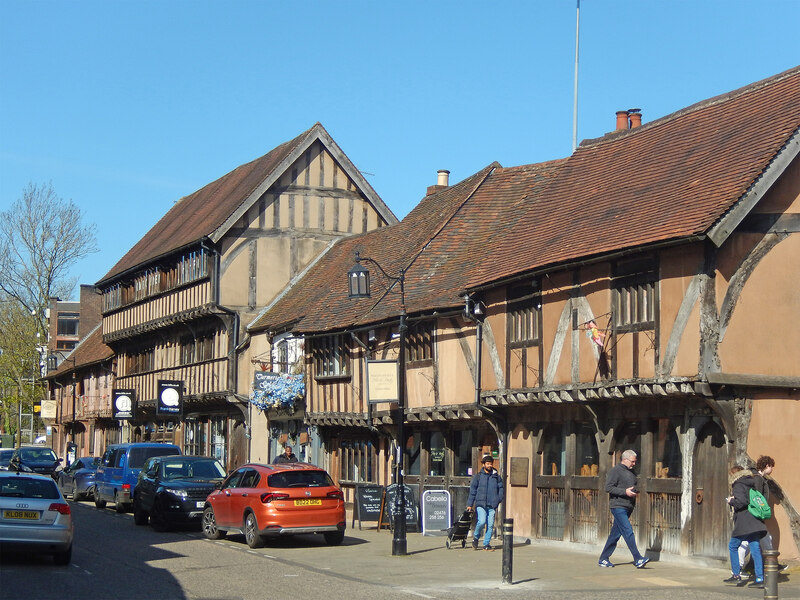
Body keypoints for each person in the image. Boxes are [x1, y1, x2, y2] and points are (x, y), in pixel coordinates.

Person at [598, 449, 649, 568]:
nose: (634, 464)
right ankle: (638, 558)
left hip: (628, 506)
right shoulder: (615, 471)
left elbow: (633, 485)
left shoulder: (632, 472)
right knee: (628, 531)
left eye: (635, 461)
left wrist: (635, 490)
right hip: (618, 506)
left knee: (615, 534)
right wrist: (625, 492)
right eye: (632, 461)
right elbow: (608, 488)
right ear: (625, 459)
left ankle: (603, 558)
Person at [724, 465, 768, 588]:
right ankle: (760, 578)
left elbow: (741, 502)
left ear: (734, 474)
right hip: (755, 520)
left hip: (744, 522)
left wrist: (731, 501)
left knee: (733, 545)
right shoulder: (751, 482)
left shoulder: (738, 484)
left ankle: (736, 575)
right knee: (755, 548)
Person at [466, 454, 504, 551]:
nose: (489, 465)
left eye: (490, 464)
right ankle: (476, 537)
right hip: (481, 504)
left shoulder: (496, 477)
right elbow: (473, 491)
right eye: (487, 464)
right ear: (483, 465)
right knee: (482, 521)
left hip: (492, 504)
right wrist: (470, 505)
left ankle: (486, 544)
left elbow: (501, 488)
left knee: (490, 525)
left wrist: (498, 499)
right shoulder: (478, 477)